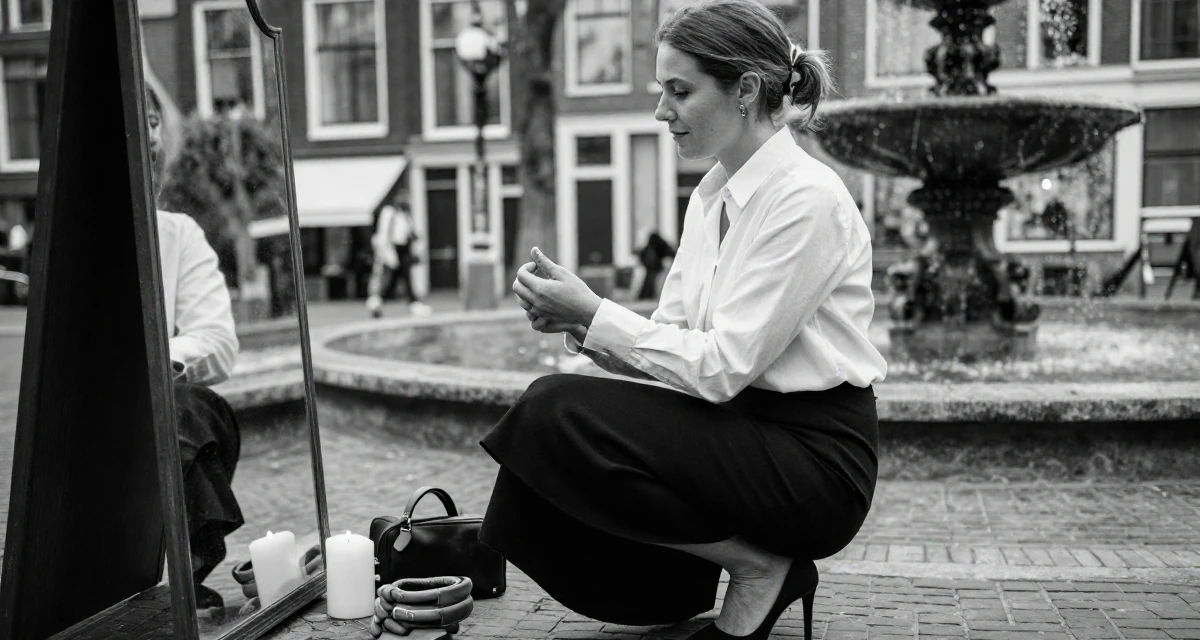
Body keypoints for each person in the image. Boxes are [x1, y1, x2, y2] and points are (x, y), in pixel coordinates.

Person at [480, 2, 887, 639]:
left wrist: (597, 314)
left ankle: (759, 567)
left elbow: (722, 366)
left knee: (550, 409)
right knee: (554, 422)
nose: (661, 111)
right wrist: (583, 324)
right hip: (739, 433)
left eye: (680, 91)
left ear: (746, 90)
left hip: (814, 460)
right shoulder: (709, 197)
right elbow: (674, 343)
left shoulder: (807, 199)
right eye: (660, 91)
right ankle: (696, 577)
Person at [147, 85, 244, 613]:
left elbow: (219, 344)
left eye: (156, 120)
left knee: (199, 410)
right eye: (139, 123)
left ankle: (188, 568)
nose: (153, 135)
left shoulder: (179, 234)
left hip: (163, 406)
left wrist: (157, 364)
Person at [366, 197, 432, 318]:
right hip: (393, 250)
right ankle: (377, 302)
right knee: (392, 280)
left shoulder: (405, 215)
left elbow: (410, 232)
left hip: (404, 250)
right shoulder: (389, 213)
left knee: (403, 279)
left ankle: (379, 303)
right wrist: (387, 253)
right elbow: (384, 234)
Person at [637, 230, 678, 300]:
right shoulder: (657, 246)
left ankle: (646, 296)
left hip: (655, 268)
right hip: (654, 268)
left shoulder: (657, 246)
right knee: (650, 281)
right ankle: (647, 295)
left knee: (651, 281)